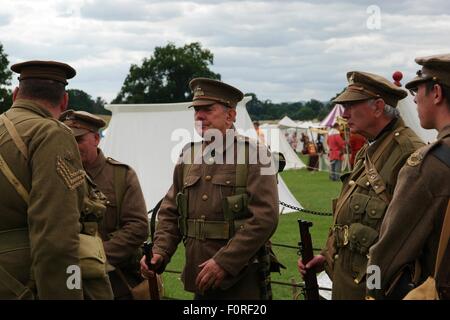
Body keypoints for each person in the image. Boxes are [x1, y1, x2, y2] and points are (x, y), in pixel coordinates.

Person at [140, 78, 279, 299]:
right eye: (196, 110)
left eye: (207, 109)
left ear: (231, 115)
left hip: (241, 279)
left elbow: (265, 218)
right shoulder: (189, 154)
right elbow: (170, 212)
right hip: (200, 278)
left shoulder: (256, 154)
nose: (199, 116)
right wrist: (160, 252)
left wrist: (225, 262)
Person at [298, 71, 424, 299]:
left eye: (351, 106)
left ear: (377, 107)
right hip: (350, 280)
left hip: (380, 287)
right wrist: (326, 256)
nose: (344, 114)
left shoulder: (409, 153)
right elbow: (349, 217)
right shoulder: (368, 150)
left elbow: (412, 237)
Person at [0, 60, 113, 299]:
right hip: (24, 282)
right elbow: (56, 237)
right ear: (64, 101)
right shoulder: (51, 134)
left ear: (16, 94)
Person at [367, 53, 450, 300]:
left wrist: (372, 293)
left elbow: (387, 253)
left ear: (436, 92)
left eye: (417, 91)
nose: (414, 101)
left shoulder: (429, 165)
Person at [60, 110, 149, 299]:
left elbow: (137, 227)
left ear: (96, 139)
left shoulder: (121, 175)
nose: (72, 146)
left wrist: (95, 257)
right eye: (67, 139)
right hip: (67, 279)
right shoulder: (56, 175)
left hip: (115, 281)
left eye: (79, 139)